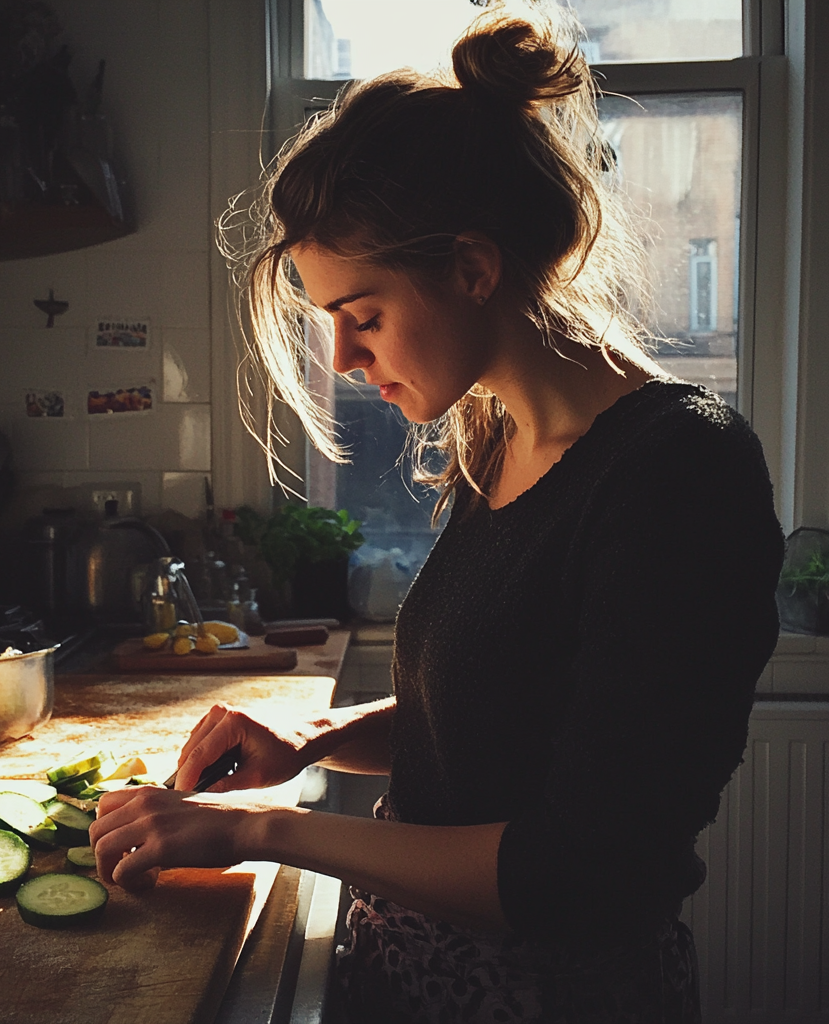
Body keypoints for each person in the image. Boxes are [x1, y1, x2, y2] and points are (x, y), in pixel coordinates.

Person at [89, 2, 785, 1020]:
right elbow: (485, 715)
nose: (343, 359)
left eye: (361, 315)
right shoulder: (493, 438)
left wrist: (258, 830)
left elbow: (570, 866)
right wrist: (317, 740)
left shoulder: (680, 474)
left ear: (471, 268)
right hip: (400, 974)